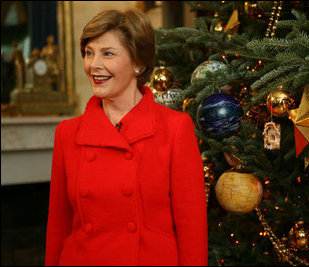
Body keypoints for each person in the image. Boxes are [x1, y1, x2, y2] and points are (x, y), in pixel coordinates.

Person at [45, 9, 208, 266]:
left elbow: (192, 231)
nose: (93, 65)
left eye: (107, 53)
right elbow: (58, 225)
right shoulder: (67, 133)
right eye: (89, 52)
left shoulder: (175, 128)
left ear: (138, 63)